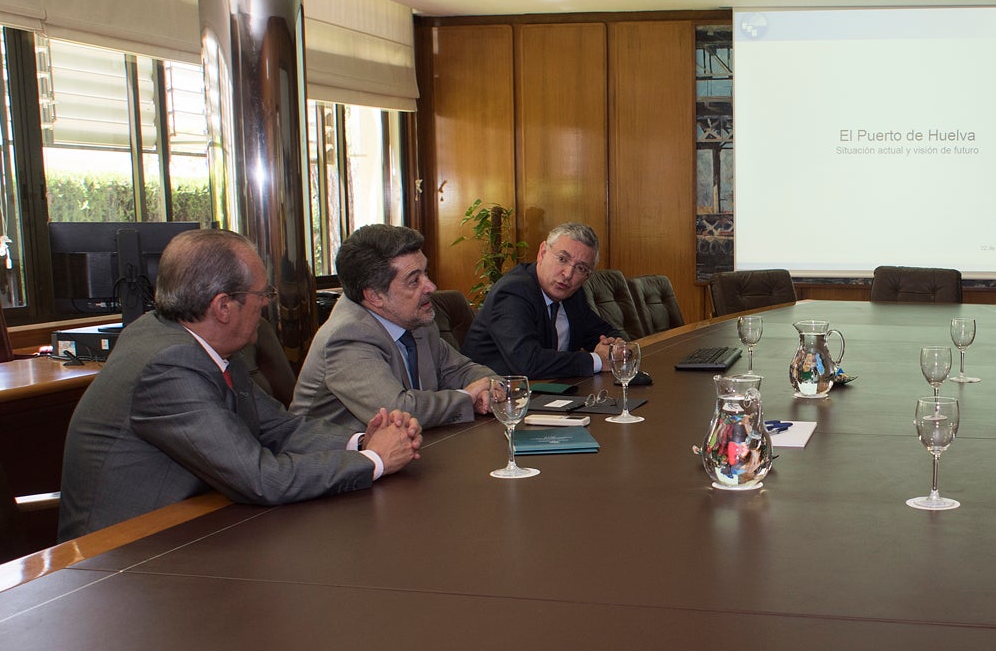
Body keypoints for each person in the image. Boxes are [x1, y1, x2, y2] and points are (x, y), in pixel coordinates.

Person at [58, 229, 421, 540]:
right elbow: (262, 478)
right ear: (223, 307)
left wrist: (362, 441)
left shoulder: (198, 342)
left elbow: (278, 427)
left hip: (195, 526)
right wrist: (373, 461)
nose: (265, 305)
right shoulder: (168, 365)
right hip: (123, 555)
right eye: (262, 295)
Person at [293, 224, 499, 430]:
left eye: (425, 273)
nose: (431, 287)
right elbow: (398, 412)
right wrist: (468, 397)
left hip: (421, 442)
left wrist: (488, 388)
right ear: (375, 296)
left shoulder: (416, 319)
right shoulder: (346, 336)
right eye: (414, 280)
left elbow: (464, 370)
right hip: (340, 449)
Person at [462, 222, 626, 380]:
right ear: (542, 253)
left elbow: (601, 332)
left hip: (550, 387)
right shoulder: (513, 292)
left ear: (587, 276)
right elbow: (527, 362)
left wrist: (615, 346)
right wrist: (597, 361)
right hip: (498, 393)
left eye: (581, 268)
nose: (568, 274)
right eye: (562, 259)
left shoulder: (572, 294)